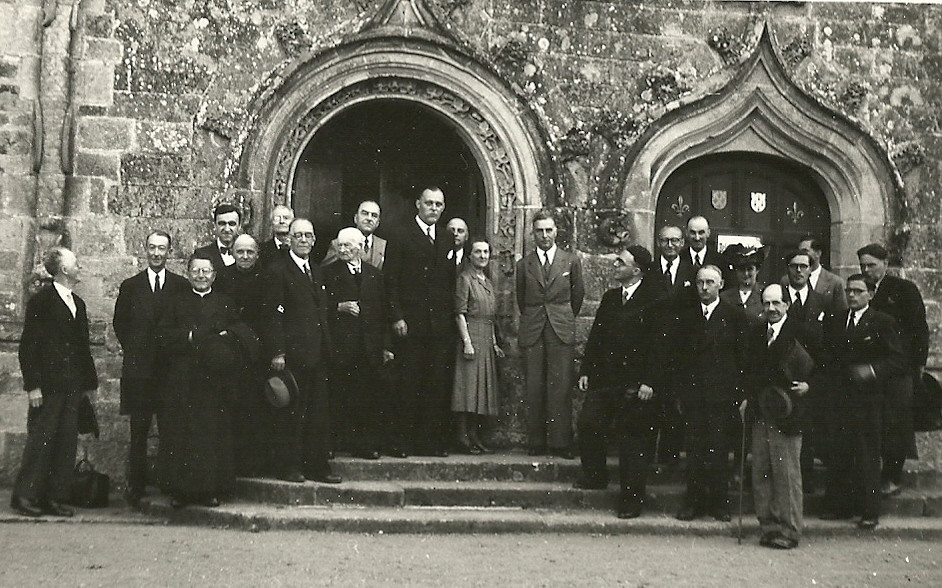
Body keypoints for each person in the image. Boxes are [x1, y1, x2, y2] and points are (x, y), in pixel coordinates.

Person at [575, 245, 669, 518]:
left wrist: (650, 382)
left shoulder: (656, 300)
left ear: (636, 270)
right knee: (589, 423)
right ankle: (595, 476)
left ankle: (631, 499)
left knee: (634, 443)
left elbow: (660, 347)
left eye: (620, 262)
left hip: (636, 385)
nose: (614, 265)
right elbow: (596, 338)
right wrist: (586, 371)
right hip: (606, 380)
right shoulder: (610, 298)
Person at [11, 247, 98, 518]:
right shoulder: (42, 302)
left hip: (72, 384)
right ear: (63, 269)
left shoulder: (78, 304)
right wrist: (32, 386)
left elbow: (83, 348)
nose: (79, 266)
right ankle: (25, 496)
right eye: (76, 262)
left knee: (65, 441)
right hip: (48, 385)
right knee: (42, 439)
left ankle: (54, 496)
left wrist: (88, 385)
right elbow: (29, 346)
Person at [157, 253, 246, 507]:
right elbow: (162, 336)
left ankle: (210, 490)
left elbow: (237, 333)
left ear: (214, 276)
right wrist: (190, 337)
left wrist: (223, 339)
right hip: (183, 380)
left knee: (211, 434)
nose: (201, 276)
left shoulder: (225, 303)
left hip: (213, 382)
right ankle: (179, 492)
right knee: (181, 434)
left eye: (206, 272)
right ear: (188, 274)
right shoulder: (175, 303)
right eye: (196, 271)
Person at [819, 274, 906, 530]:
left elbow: (898, 360)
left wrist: (871, 370)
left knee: (867, 455)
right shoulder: (836, 320)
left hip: (869, 400)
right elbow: (828, 356)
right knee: (840, 452)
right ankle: (840, 507)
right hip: (840, 399)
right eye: (849, 291)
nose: (852, 295)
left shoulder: (882, 322)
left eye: (858, 291)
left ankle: (869, 511)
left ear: (869, 294)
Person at [262, 218, 341, 483]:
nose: (304, 240)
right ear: (289, 240)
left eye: (308, 235)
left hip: (317, 353)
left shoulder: (317, 271)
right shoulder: (277, 271)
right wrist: (277, 352)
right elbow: (272, 315)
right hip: (292, 355)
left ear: (315, 240)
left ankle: (317, 467)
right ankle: (289, 466)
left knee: (317, 413)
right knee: (291, 413)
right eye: (298, 235)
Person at [741, 284, 819, 549]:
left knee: (786, 473)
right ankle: (769, 525)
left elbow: (827, 367)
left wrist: (812, 386)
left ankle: (790, 529)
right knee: (761, 471)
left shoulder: (803, 333)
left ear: (787, 304)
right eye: (766, 303)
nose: (771, 309)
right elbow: (748, 370)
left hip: (788, 413)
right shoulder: (755, 334)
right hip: (761, 411)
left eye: (776, 303)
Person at [113, 230, 188, 505]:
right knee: (139, 430)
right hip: (140, 371)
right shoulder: (130, 286)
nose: (157, 253)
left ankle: (170, 482)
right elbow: (120, 324)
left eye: (162, 249)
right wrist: (138, 350)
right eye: (152, 248)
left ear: (170, 252)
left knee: (171, 429)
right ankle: (137, 485)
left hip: (169, 371)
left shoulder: (180, 285)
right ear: (145, 250)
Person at [383, 187, 455, 457]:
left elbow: (448, 282)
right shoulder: (400, 234)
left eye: (438, 204)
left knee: (435, 383)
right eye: (429, 203)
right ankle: (401, 442)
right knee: (408, 384)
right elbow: (390, 280)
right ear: (418, 204)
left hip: (438, 326)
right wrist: (397, 317)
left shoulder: (447, 238)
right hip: (410, 324)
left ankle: (430, 442)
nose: (433, 208)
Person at [671, 265, 746, 522]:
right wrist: (680, 393)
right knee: (694, 451)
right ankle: (693, 502)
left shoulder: (734, 316)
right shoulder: (687, 316)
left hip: (722, 398)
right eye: (700, 282)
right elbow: (678, 359)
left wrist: (739, 394)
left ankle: (719, 503)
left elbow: (742, 358)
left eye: (710, 283)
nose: (704, 287)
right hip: (694, 396)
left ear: (721, 284)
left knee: (718, 450)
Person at [858, 243, 928, 497]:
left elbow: (919, 329)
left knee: (896, 424)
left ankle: (892, 477)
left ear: (885, 264)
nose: (866, 270)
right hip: (872, 368)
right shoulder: (863, 291)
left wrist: (917, 365)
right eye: (863, 266)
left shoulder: (903, 290)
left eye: (872, 265)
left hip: (899, 369)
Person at [516, 210, 585, 458]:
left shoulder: (570, 261)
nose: (544, 235)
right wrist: (537, 317)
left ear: (556, 232)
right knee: (534, 386)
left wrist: (562, 315)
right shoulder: (524, 265)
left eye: (548, 230)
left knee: (561, 386)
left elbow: (577, 296)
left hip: (561, 328)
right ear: (533, 234)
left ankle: (561, 443)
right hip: (533, 328)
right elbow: (521, 299)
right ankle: (536, 442)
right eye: (539, 231)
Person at [322, 228, 393, 460]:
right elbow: (318, 307)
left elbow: (383, 312)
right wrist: (338, 307)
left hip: (368, 347)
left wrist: (385, 346)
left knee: (366, 397)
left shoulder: (375, 275)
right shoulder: (327, 273)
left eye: (348, 246)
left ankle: (364, 444)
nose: (342, 250)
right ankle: (332, 443)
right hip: (341, 345)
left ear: (360, 248)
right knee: (337, 394)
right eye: (339, 246)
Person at [214, 234, 269, 476]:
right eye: (240, 252)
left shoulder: (265, 277)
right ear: (233, 253)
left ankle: (255, 464)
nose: (245, 257)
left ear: (257, 254)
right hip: (233, 351)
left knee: (257, 409)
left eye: (250, 252)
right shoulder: (223, 277)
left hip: (259, 352)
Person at [781, 249, 828, 493]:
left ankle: (805, 485)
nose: (798, 271)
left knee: (807, 433)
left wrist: (814, 382)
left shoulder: (822, 301)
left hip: (809, 379)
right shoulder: (776, 297)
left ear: (811, 269)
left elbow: (828, 346)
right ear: (787, 269)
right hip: (781, 379)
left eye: (803, 266)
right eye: (793, 266)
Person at [452, 238, 504, 454]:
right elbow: (459, 313)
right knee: (467, 389)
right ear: (469, 256)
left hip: (485, 338)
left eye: (486, 252)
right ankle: (462, 436)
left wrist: (494, 343)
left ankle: (475, 435)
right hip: (471, 336)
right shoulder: (465, 279)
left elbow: (490, 317)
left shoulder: (488, 281)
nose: (482, 256)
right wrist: (467, 342)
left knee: (480, 390)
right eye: (478, 252)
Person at [322, 200, 387, 270]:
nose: (369, 218)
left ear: (378, 223)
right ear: (356, 218)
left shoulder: (383, 245)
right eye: (365, 213)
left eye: (374, 215)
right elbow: (327, 272)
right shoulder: (338, 244)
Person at [797, 235, 847, 315]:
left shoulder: (835, 283)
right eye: (799, 252)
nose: (800, 255)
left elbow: (842, 313)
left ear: (818, 253)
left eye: (805, 251)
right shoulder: (787, 280)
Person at [720, 244, 766, 327]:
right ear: (736, 271)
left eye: (750, 269)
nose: (746, 274)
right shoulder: (724, 297)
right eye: (741, 269)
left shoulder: (765, 294)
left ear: (757, 270)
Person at [194, 203, 242, 271]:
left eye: (232, 224)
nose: (227, 229)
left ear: (239, 226)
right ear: (215, 225)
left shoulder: (248, 254)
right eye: (222, 223)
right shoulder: (201, 253)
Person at [682, 216, 728, 282]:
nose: (697, 238)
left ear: (708, 233)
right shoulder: (679, 258)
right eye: (693, 233)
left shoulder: (720, 260)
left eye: (701, 233)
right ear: (686, 233)